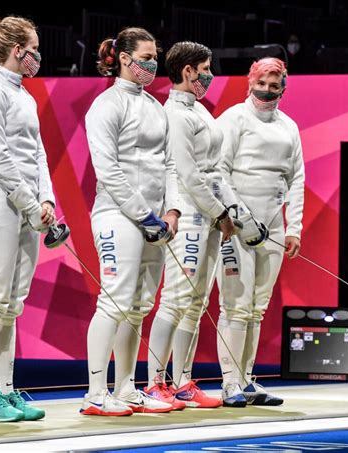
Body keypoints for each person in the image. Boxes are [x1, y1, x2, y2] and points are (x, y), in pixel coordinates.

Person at [81, 27, 181, 417]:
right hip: (116, 215)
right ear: (124, 58)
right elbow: (108, 170)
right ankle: (94, 392)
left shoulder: (156, 108)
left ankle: (125, 387)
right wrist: (145, 215)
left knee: (139, 304)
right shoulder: (105, 106)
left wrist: (171, 211)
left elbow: (170, 164)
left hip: (156, 220)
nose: (153, 64)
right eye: (146, 56)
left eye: (155, 57)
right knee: (115, 300)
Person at [0, 15, 55, 422]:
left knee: (12, 304)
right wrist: (28, 202)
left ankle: (4, 388)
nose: (38, 54)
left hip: (25, 206)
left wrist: (47, 199)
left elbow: (36, 154)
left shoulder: (25, 96)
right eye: (34, 47)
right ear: (18, 50)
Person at [145, 41, 236, 409]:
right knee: (175, 300)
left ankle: (182, 381)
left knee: (196, 305)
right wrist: (219, 212)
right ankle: (154, 383)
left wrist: (230, 209)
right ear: (189, 71)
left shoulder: (200, 112)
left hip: (210, 217)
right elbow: (188, 175)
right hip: (191, 216)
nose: (209, 74)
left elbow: (215, 172)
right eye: (206, 67)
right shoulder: (176, 115)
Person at [216, 57, 305, 407]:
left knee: (257, 308)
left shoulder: (289, 126)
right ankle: (228, 383)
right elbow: (218, 173)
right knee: (236, 306)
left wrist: (294, 227)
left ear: (283, 86)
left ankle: (247, 380)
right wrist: (240, 217)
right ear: (250, 82)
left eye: (274, 84)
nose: (267, 91)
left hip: (275, 227)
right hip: (237, 227)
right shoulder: (234, 118)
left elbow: (296, 178)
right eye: (262, 83)